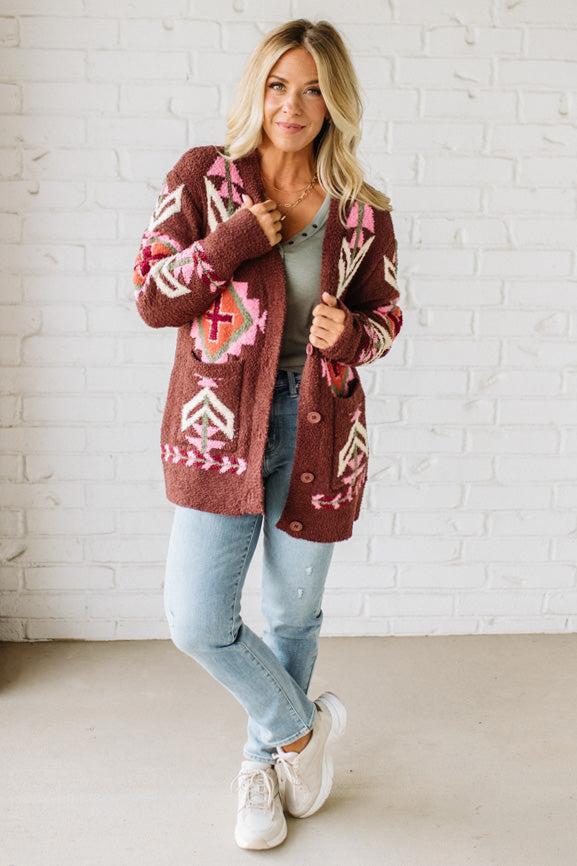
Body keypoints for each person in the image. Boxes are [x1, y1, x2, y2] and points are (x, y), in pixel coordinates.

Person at [133, 17, 401, 852]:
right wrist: (237, 239)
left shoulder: (362, 211)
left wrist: (347, 337)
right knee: (196, 618)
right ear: (258, 88)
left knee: (291, 615)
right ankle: (298, 733)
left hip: (319, 431)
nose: (294, 103)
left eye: (314, 87)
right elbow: (151, 295)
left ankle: (260, 767)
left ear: (335, 101)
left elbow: (386, 317)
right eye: (280, 84)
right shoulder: (202, 179)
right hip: (219, 431)